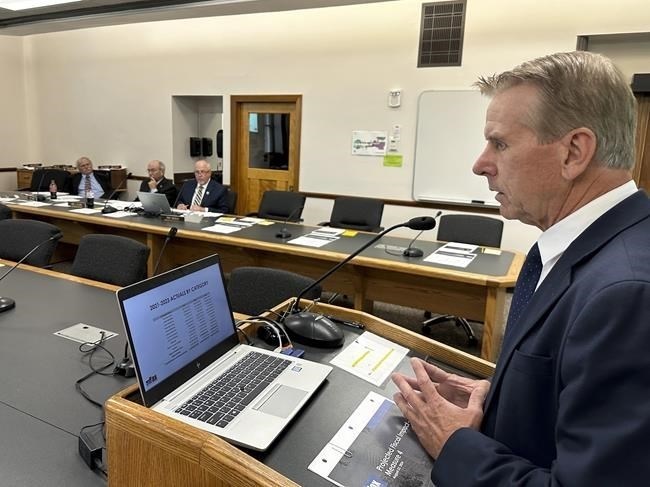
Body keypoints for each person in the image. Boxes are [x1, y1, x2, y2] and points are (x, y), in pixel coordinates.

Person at [392, 51, 650, 486]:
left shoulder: (627, 294)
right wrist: (498, 396)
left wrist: (454, 442)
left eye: (501, 143)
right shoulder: (584, 247)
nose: (480, 164)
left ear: (574, 152)